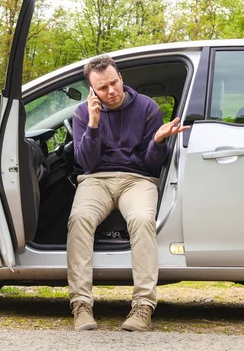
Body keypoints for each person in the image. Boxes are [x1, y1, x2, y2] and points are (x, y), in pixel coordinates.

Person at [67, 55, 189, 331]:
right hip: (97, 179)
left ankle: (143, 306)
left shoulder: (147, 108)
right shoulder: (82, 113)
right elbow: (86, 162)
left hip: (137, 180)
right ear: (92, 90)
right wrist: (94, 123)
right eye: (102, 88)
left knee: (143, 220)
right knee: (79, 219)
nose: (110, 91)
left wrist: (158, 141)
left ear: (121, 78)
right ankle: (81, 306)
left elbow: (151, 164)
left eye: (113, 83)